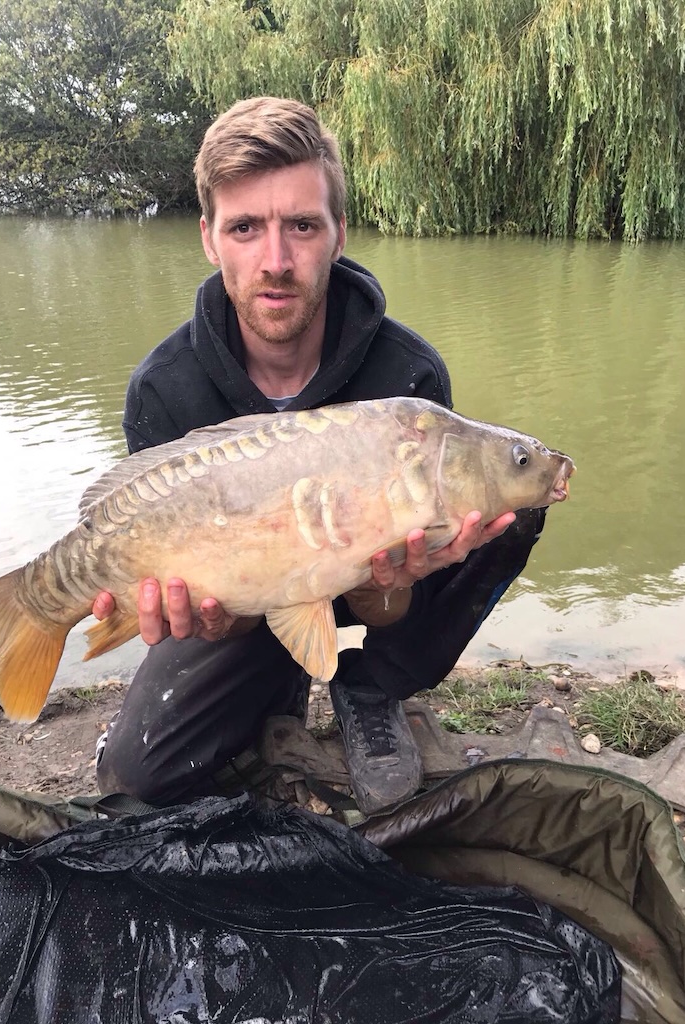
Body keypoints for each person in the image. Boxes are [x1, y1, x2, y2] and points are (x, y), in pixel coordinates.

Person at [93, 96, 544, 816]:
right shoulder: (164, 390)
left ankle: (372, 686)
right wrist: (212, 617)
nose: (275, 261)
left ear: (339, 233)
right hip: (244, 592)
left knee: (509, 503)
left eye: (301, 226)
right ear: (209, 238)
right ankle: (275, 684)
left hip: (370, 582)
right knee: (137, 776)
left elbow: (393, 600)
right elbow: (208, 601)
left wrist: (386, 587)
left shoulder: (408, 378)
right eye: (245, 228)